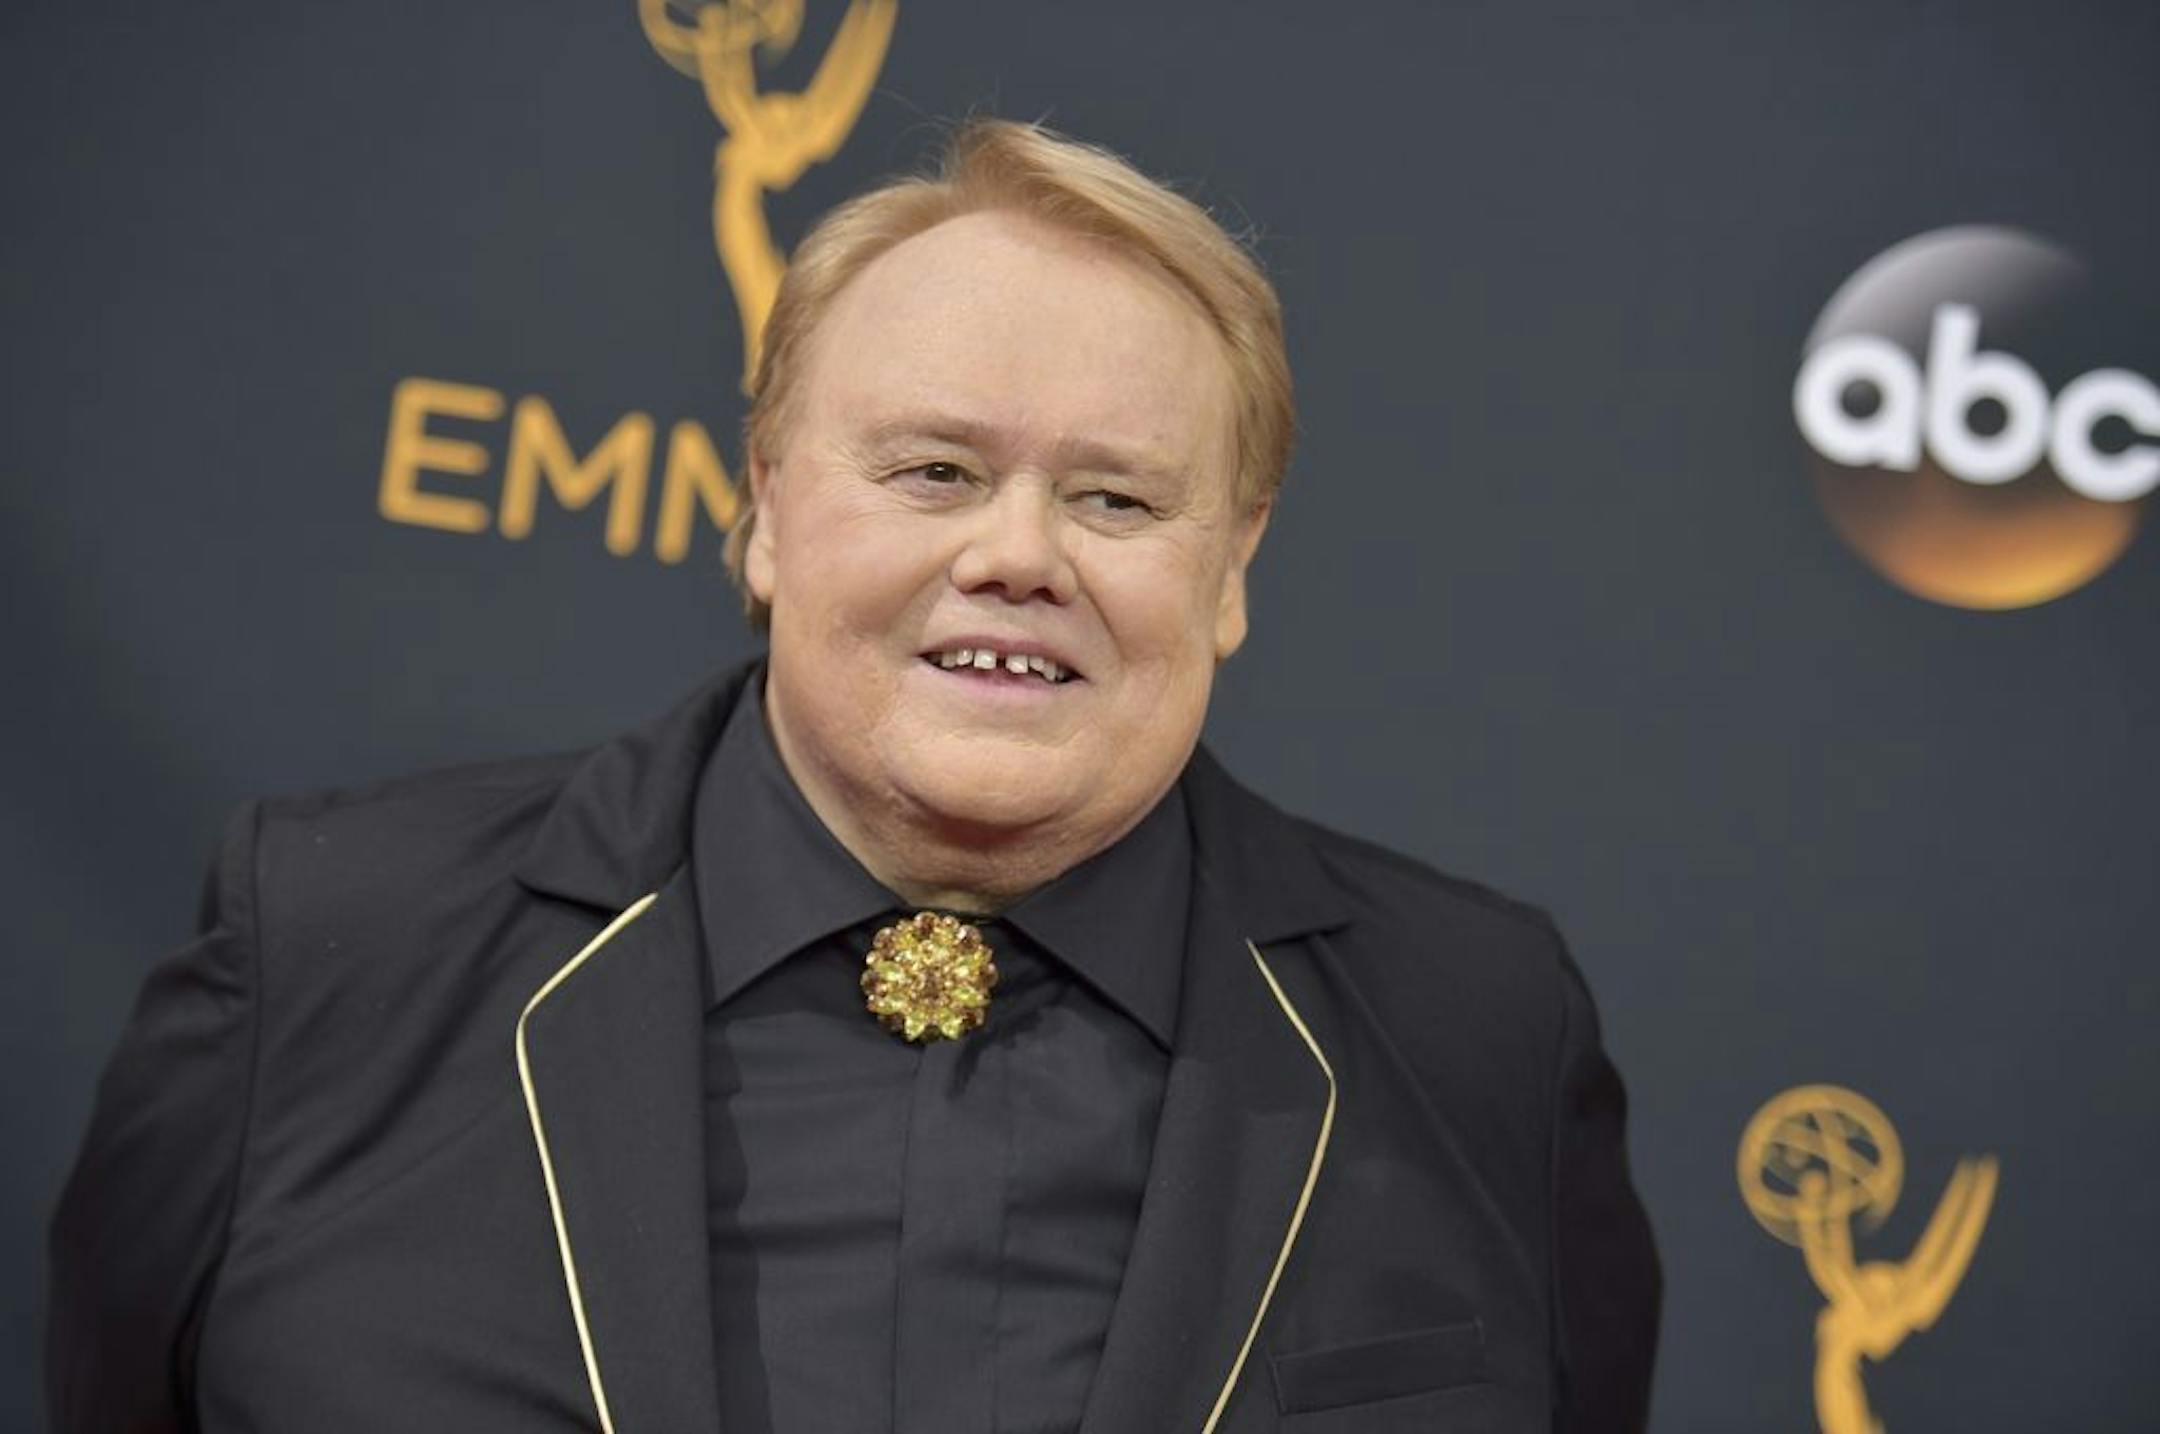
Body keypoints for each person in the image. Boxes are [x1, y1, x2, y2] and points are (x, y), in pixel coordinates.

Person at [47, 119, 1660, 1433]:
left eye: (1114, 500)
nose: (1016, 555)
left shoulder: (1481, 1034)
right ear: (760, 506)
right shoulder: (336, 947)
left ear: (1233, 566)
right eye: (936, 471)